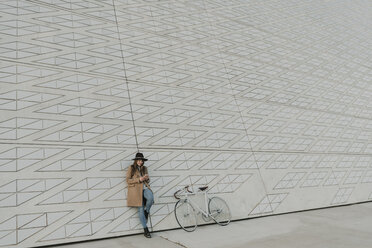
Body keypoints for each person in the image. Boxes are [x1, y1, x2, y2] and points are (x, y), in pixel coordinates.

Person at [126, 152, 154, 238]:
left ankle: (147, 211)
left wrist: (147, 178)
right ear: (136, 160)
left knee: (150, 199)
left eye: (141, 160)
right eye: (139, 160)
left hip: (145, 188)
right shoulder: (131, 168)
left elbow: (147, 181)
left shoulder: (145, 168)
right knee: (140, 209)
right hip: (136, 191)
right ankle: (146, 230)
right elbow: (128, 180)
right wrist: (139, 179)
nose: (140, 162)